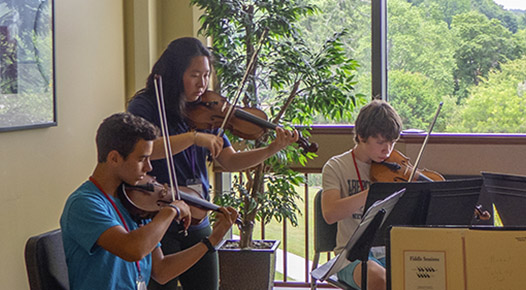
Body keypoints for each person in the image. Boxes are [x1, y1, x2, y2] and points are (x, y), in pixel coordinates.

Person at [125, 37, 299, 290]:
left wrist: (272, 149)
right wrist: (193, 138)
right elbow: (144, 149)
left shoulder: (206, 111)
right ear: (174, 74)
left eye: (206, 75)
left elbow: (229, 160)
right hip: (157, 217)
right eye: (195, 74)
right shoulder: (146, 106)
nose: (202, 83)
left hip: (197, 215)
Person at [60, 112, 239, 290]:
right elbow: (132, 249)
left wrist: (211, 241)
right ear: (114, 158)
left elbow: (161, 271)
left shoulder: (134, 202)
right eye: (142, 159)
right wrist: (171, 211)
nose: (149, 167)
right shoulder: (84, 204)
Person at [320, 100, 403, 290]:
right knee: (380, 280)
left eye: (392, 142)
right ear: (361, 136)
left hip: (391, 252)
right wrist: (373, 193)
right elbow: (330, 213)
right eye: (380, 142)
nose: (387, 150)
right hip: (351, 256)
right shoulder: (336, 166)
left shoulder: (395, 169)